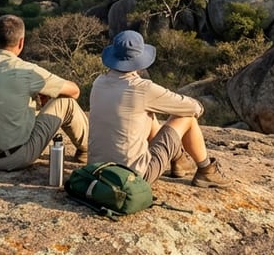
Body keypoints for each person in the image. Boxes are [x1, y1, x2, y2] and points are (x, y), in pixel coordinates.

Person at [89, 30, 231, 188]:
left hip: (97, 170)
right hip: (132, 176)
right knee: (187, 118)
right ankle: (206, 171)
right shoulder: (142, 88)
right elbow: (193, 109)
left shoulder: (98, 82)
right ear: (140, 60)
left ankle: (178, 160)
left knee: (147, 113)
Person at [0, 14, 89, 171]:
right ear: (21, 42)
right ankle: (85, 151)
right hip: (14, 159)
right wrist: (48, 92)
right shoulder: (27, 71)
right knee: (67, 102)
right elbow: (74, 91)